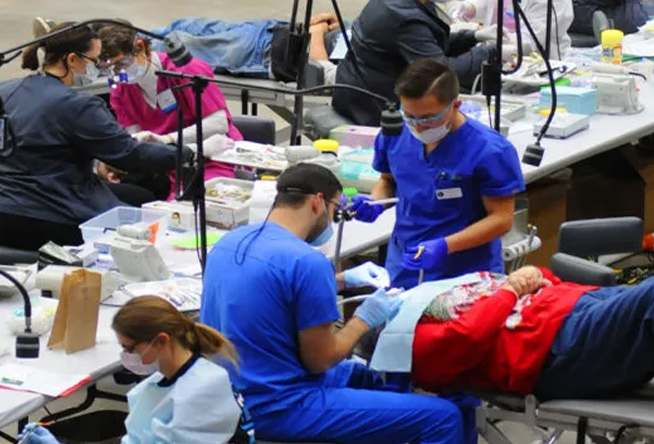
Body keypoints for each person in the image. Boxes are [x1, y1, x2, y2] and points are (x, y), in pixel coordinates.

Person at [201, 163, 469, 444]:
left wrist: (342, 279)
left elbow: (274, 288)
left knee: (368, 377)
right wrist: (364, 318)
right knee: (444, 417)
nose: (333, 220)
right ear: (318, 202)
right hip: (278, 406)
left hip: (231, 394)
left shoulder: (230, 241)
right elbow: (321, 360)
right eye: (334, 210)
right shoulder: (308, 261)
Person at [0, 23, 194, 251]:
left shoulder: (5, 92)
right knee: (139, 230)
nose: (99, 68)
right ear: (72, 60)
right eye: (94, 60)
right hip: (35, 217)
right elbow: (129, 154)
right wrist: (185, 153)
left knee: (138, 196)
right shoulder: (77, 106)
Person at [411, 263, 654, 402]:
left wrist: (526, 278)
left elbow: (540, 276)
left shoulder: (438, 293)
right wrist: (511, 290)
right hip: (555, 353)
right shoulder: (410, 341)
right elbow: (469, 336)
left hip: (575, 303)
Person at [351, 59, 524, 289]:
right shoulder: (395, 134)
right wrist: (376, 202)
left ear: (456, 105)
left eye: (428, 118)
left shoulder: (489, 151)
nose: (418, 126)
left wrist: (445, 246)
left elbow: (501, 219)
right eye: (410, 116)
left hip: (464, 272)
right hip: (405, 263)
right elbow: (388, 180)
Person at [19, 296, 255, 444]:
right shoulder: (166, 381)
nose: (126, 357)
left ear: (161, 341)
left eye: (130, 348)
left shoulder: (200, 392)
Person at [332, 0, 498, 126]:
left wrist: (473, 37)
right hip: (372, 103)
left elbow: (430, 43)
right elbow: (439, 71)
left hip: (368, 85)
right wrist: (488, 51)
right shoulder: (403, 15)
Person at [96, 22, 241, 200]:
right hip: (166, 166)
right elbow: (137, 140)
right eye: (109, 69)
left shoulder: (185, 70)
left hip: (213, 157)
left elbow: (219, 123)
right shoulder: (120, 88)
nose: (118, 73)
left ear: (140, 47)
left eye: (121, 64)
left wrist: (167, 140)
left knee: (189, 207)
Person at [34, 15, 343, 84]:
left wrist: (317, 30)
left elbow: (323, 67)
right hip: (268, 38)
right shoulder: (371, 51)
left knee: (168, 39)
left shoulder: (367, 59)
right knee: (177, 30)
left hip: (266, 47)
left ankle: (66, 34)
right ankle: (67, 33)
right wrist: (326, 26)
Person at [448, 0, 574, 60]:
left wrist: (485, 40)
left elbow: (528, 43)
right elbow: (481, 2)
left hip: (535, 62)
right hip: (495, 55)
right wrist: (464, 8)